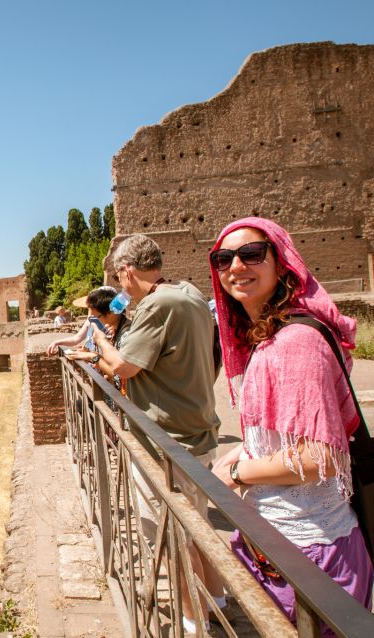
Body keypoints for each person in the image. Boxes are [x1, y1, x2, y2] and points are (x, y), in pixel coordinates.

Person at [206, 217, 373, 630]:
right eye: (224, 259)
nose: (236, 267)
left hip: (313, 556)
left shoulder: (296, 342)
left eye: (251, 254)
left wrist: (239, 472)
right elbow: (279, 438)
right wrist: (244, 451)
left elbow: (324, 458)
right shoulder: (269, 337)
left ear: (282, 264)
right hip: (284, 545)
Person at [90, 234, 223, 633]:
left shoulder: (158, 303)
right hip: (195, 431)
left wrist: (99, 341)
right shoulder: (188, 292)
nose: (119, 286)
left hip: (167, 442)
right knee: (197, 531)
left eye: (119, 278)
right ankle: (217, 602)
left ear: (128, 271)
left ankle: (191, 624)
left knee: (169, 540)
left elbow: (123, 367)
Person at [63, 287, 131, 391]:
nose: (94, 322)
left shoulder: (126, 334)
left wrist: (93, 357)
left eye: (96, 317)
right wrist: (90, 354)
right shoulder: (118, 329)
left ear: (110, 313)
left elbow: (120, 375)